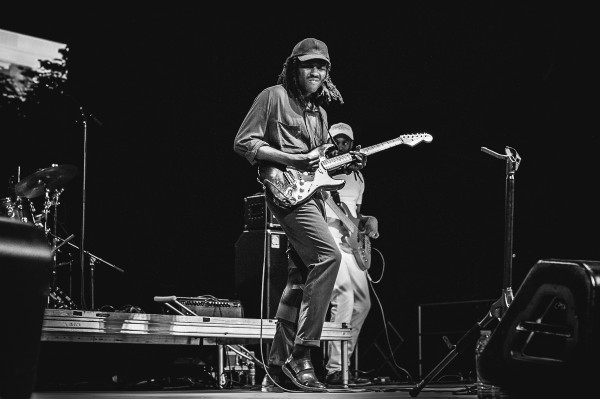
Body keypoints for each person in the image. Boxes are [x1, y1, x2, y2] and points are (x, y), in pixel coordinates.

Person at [233, 38, 367, 392]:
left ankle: (275, 371)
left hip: (314, 198)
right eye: (309, 65)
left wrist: (344, 161)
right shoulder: (273, 96)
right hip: (285, 193)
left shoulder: (320, 114)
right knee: (328, 257)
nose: (316, 72)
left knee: (297, 282)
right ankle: (303, 353)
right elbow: (244, 142)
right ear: (295, 67)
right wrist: (290, 158)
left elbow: (320, 165)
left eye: (322, 67)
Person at [323, 122, 379, 387]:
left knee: (362, 304)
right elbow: (322, 209)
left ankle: (343, 366)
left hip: (352, 245)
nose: (340, 145)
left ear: (352, 145)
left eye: (345, 141)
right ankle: (334, 370)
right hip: (330, 239)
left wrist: (370, 221)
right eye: (336, 141)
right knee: (343, 297)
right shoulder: (323, 171)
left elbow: (356, 214)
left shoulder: (358, 177)